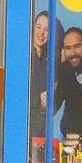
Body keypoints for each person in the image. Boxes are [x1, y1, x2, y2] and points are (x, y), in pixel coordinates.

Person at [54, 27, 82, 138]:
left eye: (77, 46)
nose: (72, 53)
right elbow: (52, 107)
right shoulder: (64, 72)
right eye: (68, 48)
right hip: (69, 142)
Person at [30, 11, 51, 139]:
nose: (41, 33)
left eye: (46, 30)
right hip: (23, 125)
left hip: (40, 130)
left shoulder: (49, 60)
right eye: (38, 27)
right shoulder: (24, 56)